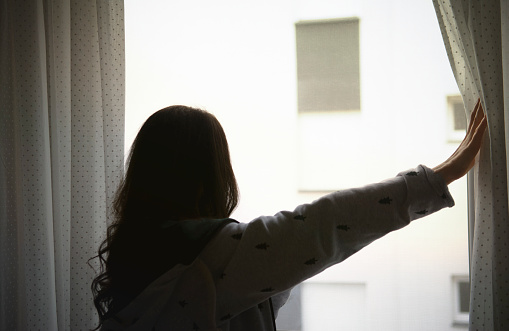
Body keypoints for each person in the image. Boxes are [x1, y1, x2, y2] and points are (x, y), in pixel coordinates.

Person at [91, 100, 487, 331]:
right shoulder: (207, 260)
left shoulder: (142, 253)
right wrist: (441, 176)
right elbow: (324, 224)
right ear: (209, 177)